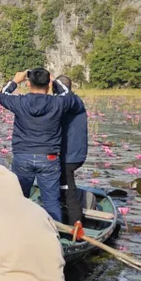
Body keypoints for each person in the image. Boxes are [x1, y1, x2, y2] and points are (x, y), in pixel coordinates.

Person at [0, 68, 85, 222]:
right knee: (51, 202)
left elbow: (1, 95)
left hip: (23, 156)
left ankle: (18, 233)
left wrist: (15, 81)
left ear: (29, 84)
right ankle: (53, 236)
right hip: (49, 158)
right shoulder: (58, 103)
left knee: (18, 198)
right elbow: (69, 95)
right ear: (48, 84)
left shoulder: (20, 102)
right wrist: (54, 80)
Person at [55, 76, 88, 226]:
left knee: (68, 191)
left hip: (70, 156)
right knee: (61, 186)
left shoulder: (73, 102)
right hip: (72, 154)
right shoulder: (70, 103)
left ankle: (76, 224)